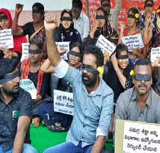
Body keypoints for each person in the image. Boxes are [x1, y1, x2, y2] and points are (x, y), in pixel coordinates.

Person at [43, 15, 113, 153]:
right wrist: (50, 32)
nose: (85, 71)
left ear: (99, 69)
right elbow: (55, 60)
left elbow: (102, 133)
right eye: (84, 67)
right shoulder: (77, 77)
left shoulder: (107, 94)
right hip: (73, 142)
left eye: (90, 68)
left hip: (92, 146)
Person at [0, 58, 38, 153]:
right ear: (0, 84)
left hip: (20, 145)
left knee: (31, 152)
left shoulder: (25, 96)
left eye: (17, 75)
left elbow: (21, 131)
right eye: (12, 77)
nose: (18, 80)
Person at [39, 43, 83, 132]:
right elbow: (44, 68)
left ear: (81, 57)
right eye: (72, 53)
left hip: (76, 105)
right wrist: (56, 53)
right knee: (42, 107)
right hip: (62, 104)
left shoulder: (83, 68)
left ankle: (56, 122)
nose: (73, 57)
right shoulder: (63, 66)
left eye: (77, 55)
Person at [115, 58, 160, 124]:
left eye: (146, 77)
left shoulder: (159, 106)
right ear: (133, 79)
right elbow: (118, 132)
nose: (142, 81)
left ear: (151, 80)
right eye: (139, 77)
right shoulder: (123, 99)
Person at [20, 42, 51, 128]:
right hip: (24, 98)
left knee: (47, 104)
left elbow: (43, 93)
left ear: (41, 53)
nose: (32, 55)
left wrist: (31, 100)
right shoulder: (23, 65)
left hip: (39, 99)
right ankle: (35, 117)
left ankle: (33, 116)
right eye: (30, 52)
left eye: (36, 52)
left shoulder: (45, 66)